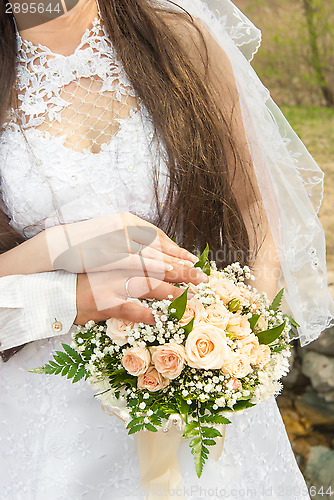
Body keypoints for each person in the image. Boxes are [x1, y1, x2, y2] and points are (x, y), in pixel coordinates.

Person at [0, 0, 333, 498]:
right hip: (47, 405)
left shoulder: (181, 41)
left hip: (201, 379)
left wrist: (236, 338)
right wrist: (63, 246)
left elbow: (257, 210)